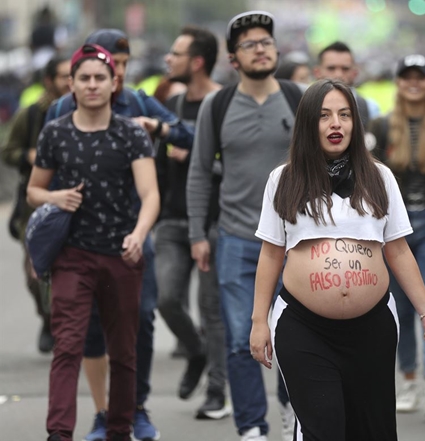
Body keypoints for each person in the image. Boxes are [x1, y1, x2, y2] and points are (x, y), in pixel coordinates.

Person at [250, 78, 425, 441]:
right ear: (308, 124)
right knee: (323, 428)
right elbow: (271, 253)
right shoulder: (284, 178)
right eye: (324, 116)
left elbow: (397, 249)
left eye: (344, 115)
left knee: (374, 431)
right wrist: (259, 322)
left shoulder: (379, 176)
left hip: (373, 327)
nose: (336, 124)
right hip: (303, 327)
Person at [44, 28, 194, 441]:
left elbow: (189, 135)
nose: (116, 75)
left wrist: (157, 130)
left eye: (122, 67)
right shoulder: (61, 109)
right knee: (85, 331)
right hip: (76, 241)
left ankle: (134, 411)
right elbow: (45, 169)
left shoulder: (138, 104)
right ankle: (101, 412)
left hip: (131, 234)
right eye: (113, 64)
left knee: (139, 322)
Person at [27, 43, 159, 441]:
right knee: (67, 346)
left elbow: (150, 194)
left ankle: (119, 429)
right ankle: (59, 433)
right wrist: (55, 197)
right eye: (83, 78)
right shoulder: (55, 133)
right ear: (71, 84)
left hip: (122, 255)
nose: (92, 84)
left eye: (100, 78)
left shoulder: (131, 134)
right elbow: (34, 190)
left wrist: (138, 235)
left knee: (123, 350)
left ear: (114, 83)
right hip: (73, 257)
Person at [186, 10, 303, 441]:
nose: (261, 49)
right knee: (240, 336)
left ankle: (294, 411)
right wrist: (198, 233)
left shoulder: (298, 99)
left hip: (296, 240)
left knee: (291, 334)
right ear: (233, 59)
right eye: (250, 45)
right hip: (236, 239)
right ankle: (252, 426)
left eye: (266, 42)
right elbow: (199, 172)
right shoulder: (216, 107)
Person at [367, 54, 425, 416]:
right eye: (406, 77)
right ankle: (409, 379)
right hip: (393, 229)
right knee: (399, 309)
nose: (413, 82)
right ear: (398, 83)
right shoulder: (382, 126)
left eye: (421, 76)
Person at [155, 25, 232, 420]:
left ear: (197, 61)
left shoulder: (222, 103)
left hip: (215, 219)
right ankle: (196, 351)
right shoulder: (171, 101)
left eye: (176, 53)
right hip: (170, 217)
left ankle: (217, 390)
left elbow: (235, 163)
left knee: (212, 310)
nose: (168, 59)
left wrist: (201, 161)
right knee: (166, 298)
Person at [1, 54, 70, 354]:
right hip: (35, 210)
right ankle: (47, 319)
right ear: (48, 81)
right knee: (35, 275)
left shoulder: (88, 110)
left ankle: (72, 330)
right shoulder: (31, 115)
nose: (70, 83)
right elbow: (8, 151)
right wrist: (28, 157)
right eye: (63, 77)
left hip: (76, 206)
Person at [314, 41, 380, 128]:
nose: (338, 74)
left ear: (355, 73)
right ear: (317, 72)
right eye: (331, 68)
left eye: (345, 69)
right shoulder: (303, 104)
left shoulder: (370, 108)